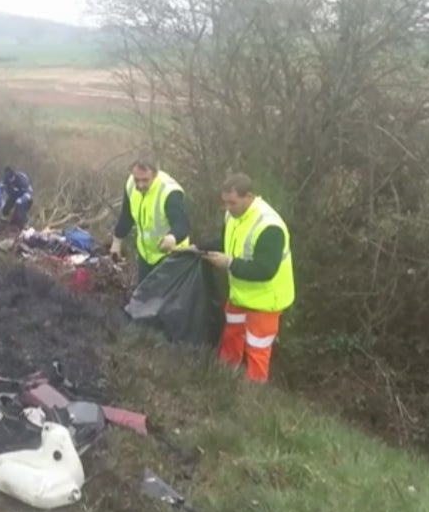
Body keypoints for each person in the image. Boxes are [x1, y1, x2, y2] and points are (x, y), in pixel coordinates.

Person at [197, 173, 295, 384]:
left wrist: (229, 263)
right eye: (225, 203)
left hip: (266, 299)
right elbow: (224, 241)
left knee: (257, 348)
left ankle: (253, 396)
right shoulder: (233, 215)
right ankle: (224, 378)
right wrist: (198, 248)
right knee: (232, 334)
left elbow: (265, 270)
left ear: (248, 196)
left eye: (232, 202)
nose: (228, 208)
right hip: (241, 293)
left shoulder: (269, 226)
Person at [110, 157, 190, 284]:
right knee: (144, 300)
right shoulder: (131, 184)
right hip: (146, 255)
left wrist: (172, 238)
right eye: (137, 180)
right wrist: (117, 240)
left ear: (155, 174)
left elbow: (182, 225)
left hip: (171, 257)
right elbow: (127, 215)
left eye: (145, 180)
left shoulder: (169, 192)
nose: (140, 185)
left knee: (165, 302)